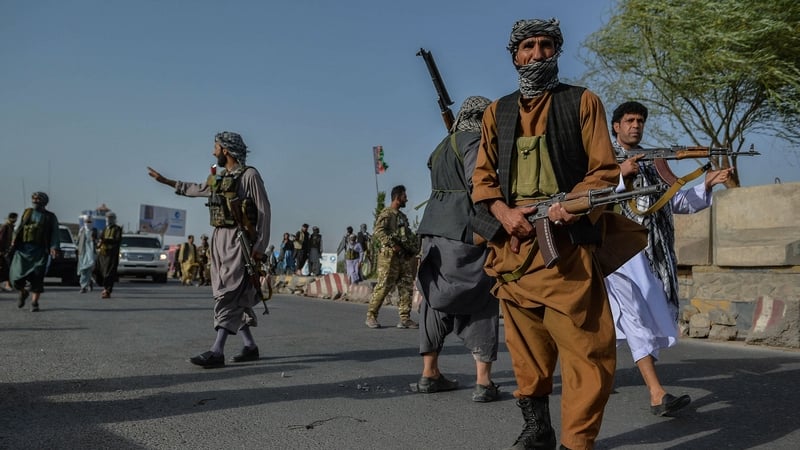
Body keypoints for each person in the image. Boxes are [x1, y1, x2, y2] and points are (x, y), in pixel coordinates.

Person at [470, 18, 644, 450]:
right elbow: (483, 180)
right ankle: (538, 427)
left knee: (587, 351)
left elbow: (603, 173)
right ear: (515, 55)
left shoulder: (582, 102)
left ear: (557, 52)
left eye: (546, 45)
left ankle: (576, 443)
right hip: (514, 250)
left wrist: (571, 205)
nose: (537, 53)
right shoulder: (497, 111)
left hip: (565, 250)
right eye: (528, 46)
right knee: (527, 349)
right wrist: (503, 212)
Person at [607, 101, 734, 417]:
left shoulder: (655, 162)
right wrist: (620, 176)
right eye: (629, 120)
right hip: (620, 254)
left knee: (648, 316)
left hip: (658, 254)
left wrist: (705, 184)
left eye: (640, 120)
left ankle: (600, 373)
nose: (636, 125)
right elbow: (592, 198)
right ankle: (656, 392)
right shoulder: (603, 161)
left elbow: (675, 201)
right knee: (635, 316)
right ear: (616, 127)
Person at [147, 131, 271, 368]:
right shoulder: (219, 176)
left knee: (229, 293)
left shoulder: (250, 176)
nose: (213, 152)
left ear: (225, 150)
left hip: (239, 240)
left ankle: (217, 350)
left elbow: (264, 211)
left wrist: (260, 246)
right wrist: (166, 181)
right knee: (231, 293)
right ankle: (250, 346)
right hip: (219, 240)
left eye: (215, 147)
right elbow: (198, 189)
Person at [414, 96, 501, 403]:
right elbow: (478, 184)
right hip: (464, 232)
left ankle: (430, 373)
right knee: (483, 299)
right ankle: (483, 381)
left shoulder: (442, 146)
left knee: (435, 300)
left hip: (433, 233)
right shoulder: (474, 141)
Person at [365, 185, 419, 330]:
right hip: (389, 258)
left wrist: (410, 248)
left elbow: (406, 235)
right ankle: (371, 316)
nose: (406, 198)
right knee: (383, 286)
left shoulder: (402, 217)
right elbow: (378, 231)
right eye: (404, 196)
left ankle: (405, 319)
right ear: (397, 197)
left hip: (403, 257)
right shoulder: (387, 214)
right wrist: (391, 244)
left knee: (406, 287)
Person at [9, 192, 60, 312]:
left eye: (38, 199)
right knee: (15, 277)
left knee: (37, 276)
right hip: (23, 250)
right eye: (34, 199)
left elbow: (55, 233)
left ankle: (34, 302)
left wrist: (54, 247)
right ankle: (23, 292)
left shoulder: (50, 217)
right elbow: (18, 228)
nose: (35, 201)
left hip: (40, 251)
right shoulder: (27, 213)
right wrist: (13, 241)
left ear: (44, 202)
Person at [94, 211, 122, 299]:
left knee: (109, 273)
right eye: (107, 218)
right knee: (97, 270)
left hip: (112, 255)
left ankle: (107, 290)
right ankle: (104, 287)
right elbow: (101, 238)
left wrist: (105, 240)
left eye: (110, 218)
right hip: (103, 254)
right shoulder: (105, 228)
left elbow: (117, 240)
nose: (108, 219)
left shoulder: (117, 229)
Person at [76, 215, 97, 293]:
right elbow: (78, 241)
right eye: (86, 222)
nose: (87, 223)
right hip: (83, 252)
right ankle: (84, 286)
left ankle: (86, 284)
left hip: (91, 253)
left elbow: (97, 241)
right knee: (83, 270)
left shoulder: (94, 231)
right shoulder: (82, 230)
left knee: (89, 268)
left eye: (89, 222)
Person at [0, 212, 18, 292]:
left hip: (8, 251)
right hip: (4, 252)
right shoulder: (5, 226)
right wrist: (1, 251)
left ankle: (8, 284)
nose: (16, 220)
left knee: (7, 269)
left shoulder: (11, 226)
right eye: (15, 218)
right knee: (6, 268)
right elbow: (1, 239)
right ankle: (8, 285)